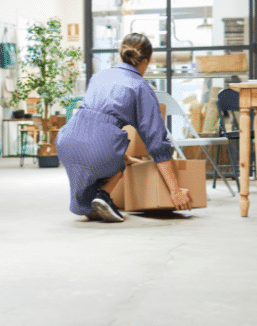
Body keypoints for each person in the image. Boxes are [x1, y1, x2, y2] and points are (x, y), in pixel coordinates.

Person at [56, 33, 192, 222]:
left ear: (121, 55)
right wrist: (175, 191)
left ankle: (92, 203)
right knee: (115, 165)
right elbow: (157, 142)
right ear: (146, 61)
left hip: (66, 143)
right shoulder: (141, 87)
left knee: (100, 164)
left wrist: (123, 155)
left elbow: (94, 121)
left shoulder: (99, 77)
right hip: (98, 149)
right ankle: (103, 195)